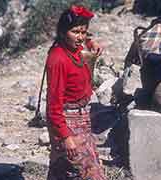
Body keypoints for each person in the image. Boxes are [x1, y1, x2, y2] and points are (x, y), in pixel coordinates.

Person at [46, 5, 107, 180]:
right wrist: (65, 137)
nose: (80, 37)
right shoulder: (58, 59)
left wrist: (91, 42)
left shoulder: (76, 48)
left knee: (63, 170)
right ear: (63, 32)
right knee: (90, 172)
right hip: (66, 120)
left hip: (82, 117)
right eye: (75, 32)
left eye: (84, 32)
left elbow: (84, 41)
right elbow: (53, 105)